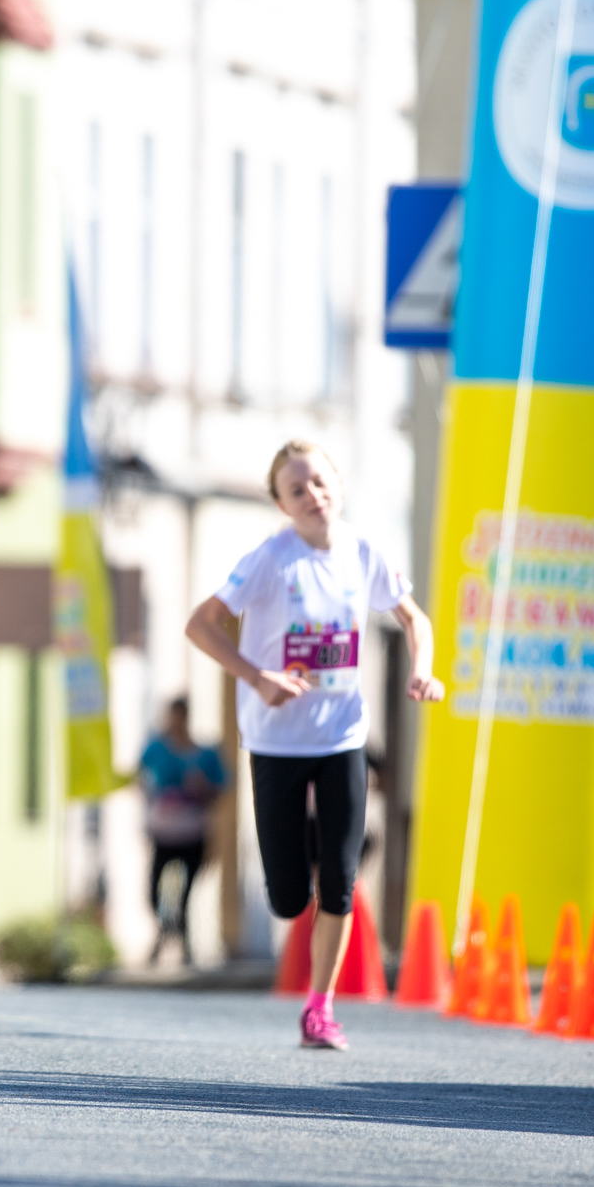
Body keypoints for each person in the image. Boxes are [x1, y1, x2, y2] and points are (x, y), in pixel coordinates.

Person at [185, 440, 444, 1050]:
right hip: (276, 740)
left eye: (321, 483)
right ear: (281, 504)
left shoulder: (362, 552)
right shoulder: (270, 559)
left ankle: (320, 1009)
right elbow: (200, 625)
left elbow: (414, 618)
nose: (313, 496)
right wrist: (258, 678)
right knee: (287, 896)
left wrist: (422, 670)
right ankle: (293, 883)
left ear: (339, 487)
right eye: (297, 490)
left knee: (341, 880)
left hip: (342, 737)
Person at [137, 698, 227, 963]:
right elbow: (141, 779)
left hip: (193, 831)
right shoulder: (156, 749)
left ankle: (182, 940)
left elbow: (221, 788)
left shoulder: (205, 754)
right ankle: (165, 929)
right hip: (163, 831)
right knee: (154, 888)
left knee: (186, 890)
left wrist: (203, 787)